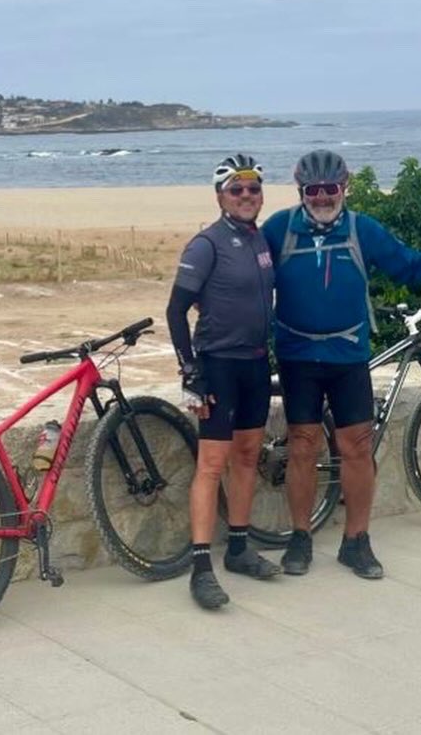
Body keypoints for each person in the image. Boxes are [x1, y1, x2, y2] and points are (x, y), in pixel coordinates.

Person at [261, 149, 421, 580]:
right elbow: (247, 281)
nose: (322, 198)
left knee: (356, 448)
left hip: (348, 356)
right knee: (302, 445)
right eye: (313, 191)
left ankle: (356, 542)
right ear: (301, 191)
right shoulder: (278, 230)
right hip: (298, 357)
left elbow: (410, 266)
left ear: (344, 188)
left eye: (330, 189)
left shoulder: (362, 230)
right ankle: (300, 538)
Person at [166, 154, 282, 609]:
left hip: (255, 364)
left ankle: (237, 548)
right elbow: (176, 312)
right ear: (220, 197)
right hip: (217, 366)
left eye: (253, 188)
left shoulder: (261, 241)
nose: (247, 196)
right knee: (212, 464)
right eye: (237, 189)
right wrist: (190, 372)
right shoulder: (206, 244)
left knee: (249, 456)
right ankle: (200, 567)